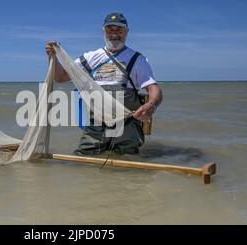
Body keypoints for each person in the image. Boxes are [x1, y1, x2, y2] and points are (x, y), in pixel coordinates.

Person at [45, 12, 163, 155]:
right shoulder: (90, 57)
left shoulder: (137, 59)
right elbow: (60, 77)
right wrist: (53, 57)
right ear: (103, 31)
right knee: (83, 161)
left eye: (119, 29)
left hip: (127, 128)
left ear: (127, 31)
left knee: (128, 167)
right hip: (95, 127)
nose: (114, 34)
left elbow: (154, 89)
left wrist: (151, 105)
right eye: (110, 29)